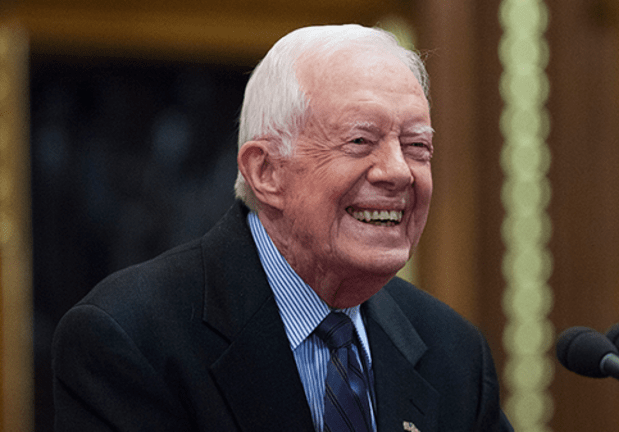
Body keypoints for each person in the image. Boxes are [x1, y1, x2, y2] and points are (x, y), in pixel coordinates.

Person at [52, 24, 513, 432]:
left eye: (417, 147)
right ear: (266, 171)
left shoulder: (454, 352)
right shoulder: (129, 338)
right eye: (360, 140)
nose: (398, 172)